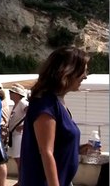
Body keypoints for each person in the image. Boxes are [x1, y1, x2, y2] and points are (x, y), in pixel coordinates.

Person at [20, 47, 91, 186]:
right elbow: (46, 152)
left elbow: (56, 144)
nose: (85, 76)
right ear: (68, 71)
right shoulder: (46, 104)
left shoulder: (57, 102)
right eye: (83, 70)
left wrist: (78, 148)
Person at [7, 83, 28, 186]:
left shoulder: (22, 103)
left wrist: (24, 126)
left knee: (19, 159)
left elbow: (31, 114)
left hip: (19, 135)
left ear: (17, 94)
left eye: (11, 92)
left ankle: (22, 181)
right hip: (14, 135)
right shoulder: (18, 104)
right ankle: (22, 180)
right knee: (17, 159)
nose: (10, 94)